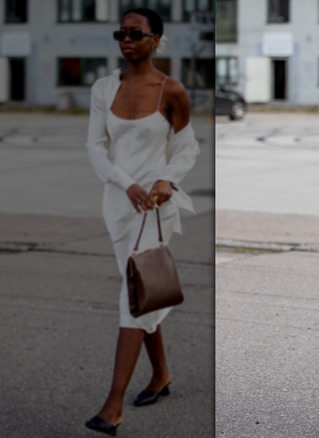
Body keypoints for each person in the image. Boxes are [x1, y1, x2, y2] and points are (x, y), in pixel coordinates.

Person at [84, 8, 199, 436]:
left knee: (132, 298)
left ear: (156, 40)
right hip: (117, 206)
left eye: (136, 33)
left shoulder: (172, 90)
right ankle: (162, 374)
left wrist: (167, 178)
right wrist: (126, 184)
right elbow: (96, 148)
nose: (126, 40)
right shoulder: (103, 88)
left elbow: (187, 149)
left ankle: (112, 406)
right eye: (121, 33)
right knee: (144, 293)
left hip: (156, 209)